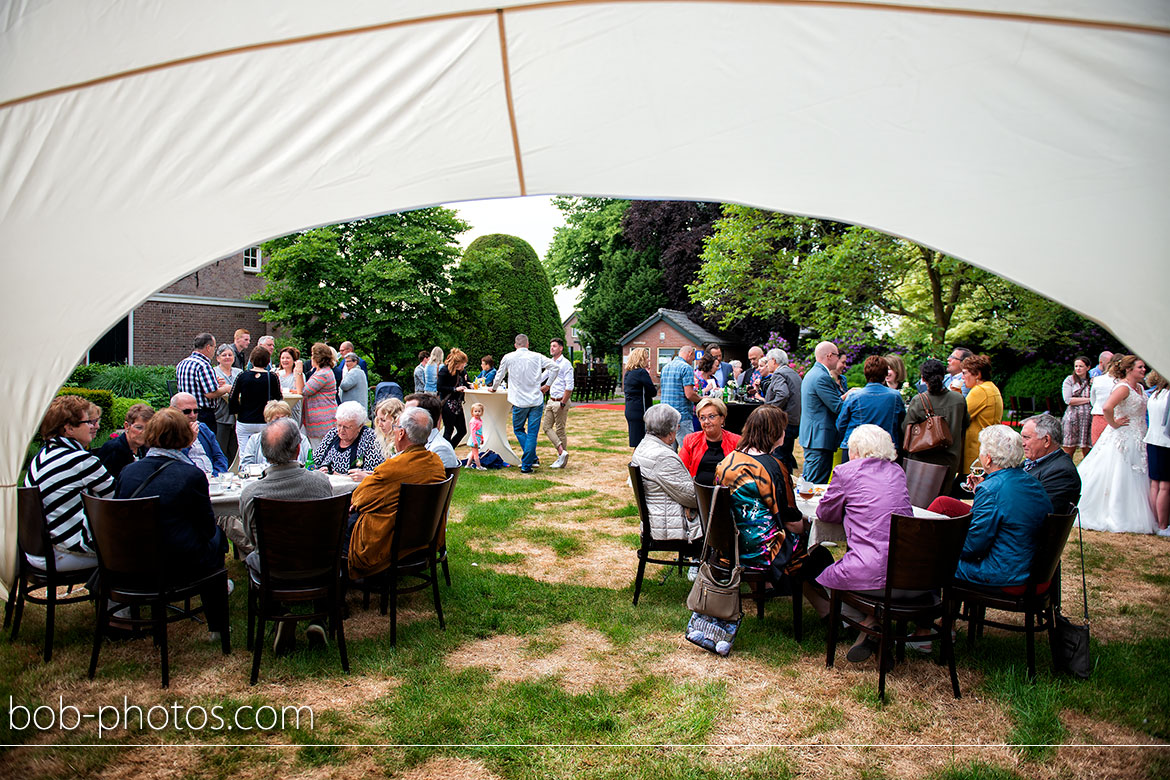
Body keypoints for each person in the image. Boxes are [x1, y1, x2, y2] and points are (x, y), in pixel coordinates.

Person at [802, 424, 914, 662]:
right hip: (908, 570)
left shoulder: (846, 472)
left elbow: (825, 513)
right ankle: (873, 623)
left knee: (824, 574)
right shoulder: (897, 471)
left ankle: (867, 622)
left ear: (856, 450)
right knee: (849, 568)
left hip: (869, 570)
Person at [116, 409, 230, 639]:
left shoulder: (128, 472)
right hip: (176, 568)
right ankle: (218, 626)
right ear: (187, 438)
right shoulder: (191, 475)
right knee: (217, 537)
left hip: (131, 564)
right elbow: (206, 529)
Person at [238, 417, 335, 653]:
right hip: (320, 566)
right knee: (315, 548)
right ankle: (318, 620)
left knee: (254, 557)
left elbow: (252, 540)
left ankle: (280, 614)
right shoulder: (321, 484)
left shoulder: (252, 493)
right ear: (299, 449)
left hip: (274, 571)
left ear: (264, 452)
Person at [348, 406, 447, 578]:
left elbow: (358, 498)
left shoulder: (393, 468)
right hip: (424, 539)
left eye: (395, 428)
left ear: (401, 433)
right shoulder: (435, 462)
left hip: (390, 543)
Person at [954, 425, 1053, 588]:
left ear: (988, 458)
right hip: (1033, 569)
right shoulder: (1032, 482)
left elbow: (972, 548)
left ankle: (931, 606)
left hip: (1003, 573)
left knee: (937, 558)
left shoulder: (991, 489)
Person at [715, 405, 805, 583]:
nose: (785, 434)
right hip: (762, 552)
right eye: (783, 430)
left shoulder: (727, 461)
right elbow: (792, 522)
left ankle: (766, 589)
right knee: (818, 554)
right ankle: (827, 609)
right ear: (775, 433)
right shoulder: (772, 466)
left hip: (727, 549)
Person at [24, 395, 114, 572]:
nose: (93, 426)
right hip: (65, 553)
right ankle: (118, 597)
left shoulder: (41, 457)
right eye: (87, 422)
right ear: (69, 429)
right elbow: (117, 498)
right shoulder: (79, 460)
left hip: (35, 552)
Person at [1077, 355, 1158, 533]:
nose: (1144, 370)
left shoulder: (1139, 388)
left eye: (1144, 367)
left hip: (1138, 434)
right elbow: (1106, 407)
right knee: (1120, 470)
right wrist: (1113, 424)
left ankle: (1140, 511)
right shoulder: (1123, 387)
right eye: (1140, 367)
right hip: (1124, 434)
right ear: (1129, 369)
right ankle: (1116, 512)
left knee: (1138, 471)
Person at [630, 404, 701, 541]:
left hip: (659, 517)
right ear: (670, 433)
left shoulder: (644, 445)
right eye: (677, 427)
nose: (677, 430)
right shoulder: (663, 457)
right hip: (668, 524)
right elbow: (693, 497)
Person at [490, 334, 555, 474]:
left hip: (519, 401)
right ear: (528, 344)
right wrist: (547, 385)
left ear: (515, 345)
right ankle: (532, 459)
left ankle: (527, 464)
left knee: (519, 429)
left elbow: (500, 375)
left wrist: (494, 388)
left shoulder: (508, 357)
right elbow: (555, 367)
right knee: (532, 433)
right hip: (536, 400)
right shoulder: (537, 356)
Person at [903, 359, 970, 490]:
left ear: (923, 378)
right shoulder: (959, 399)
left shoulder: (918, 401)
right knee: (943, 501)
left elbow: (906, 428)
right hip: (950, 458)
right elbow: (966, 423)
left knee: (920, 501)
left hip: (922, 459)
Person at [836, 356, 905, 463]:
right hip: (884, 449)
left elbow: (841, 424)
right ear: (885, 374)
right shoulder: (895, 397)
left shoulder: (854, 396)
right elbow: (901, 425)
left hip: (856, 450)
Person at [799, 341, 844, 484]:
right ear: (830, 356)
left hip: (814, 436)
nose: (838, 359)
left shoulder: (813, 373)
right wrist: (851, 397)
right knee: (815, 484)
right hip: (819, 438)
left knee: (810, 481)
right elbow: (837, 407)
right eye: (837, 356)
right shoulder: (822, 377)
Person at [1020, 414, 1082, 512]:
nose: (1022, 443)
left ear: (1046, 440)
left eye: (1026, 437)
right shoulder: (1034, 461)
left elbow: (1036, 511)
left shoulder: (1061, 472)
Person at [229, 346, 284, 455]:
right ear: (268, 361)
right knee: (265, 452)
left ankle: (245, 470)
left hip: (245, 419)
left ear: (252, 359)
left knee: (244, 453)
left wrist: (237, 410)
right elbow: (278, 398)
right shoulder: (271, 377)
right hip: (265, 419)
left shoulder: (242, 375)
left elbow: (232, 396)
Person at [313, 400, 385, 479]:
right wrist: (322, 469)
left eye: (347, 427)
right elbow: (315, 461)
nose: (341, 430)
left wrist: (341, 476)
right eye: (339, 425)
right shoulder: (332, 434)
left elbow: (371, 474)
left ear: (360, 426)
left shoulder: (370, 439)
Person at [680, 398, 742, 487]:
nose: (707, 422)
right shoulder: (690, 440)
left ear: (722, 418)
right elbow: (680, 470)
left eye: (711, 416)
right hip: (697, 493)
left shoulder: (737, 442)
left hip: (728, 495)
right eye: (702, 418)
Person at [176, 332, 231, 430]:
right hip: (202, 414)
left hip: (183, 412)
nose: (214, 351)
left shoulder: (182, 363)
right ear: (208, 347)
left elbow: (194, 384)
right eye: (214, 347)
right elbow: (210, 393)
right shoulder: (204, 365)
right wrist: (226, 388)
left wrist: (215, 383)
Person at [960, 354, 1004, 477]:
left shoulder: (980, 391)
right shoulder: (991, 388)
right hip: (989, 446)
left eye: (965, 373)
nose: (962, 377)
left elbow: (961, 415)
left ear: (978, 374)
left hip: (976, 451)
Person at [239, 400, 311, 469]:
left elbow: (309, 461)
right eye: (277, 418)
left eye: (284, 418)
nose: (281, 422)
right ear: (268, 420)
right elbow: (245, 465)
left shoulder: (301, 438)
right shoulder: (255, 439)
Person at [170, 392, 229, 477]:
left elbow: (220, 457)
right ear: (172, 410)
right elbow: (175, 462)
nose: (192, 415)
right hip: (189, 479)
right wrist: (188, 441)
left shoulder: (202, 429)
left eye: (196, 411)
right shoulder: (169, 433)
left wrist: (216, 475)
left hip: (212, 479)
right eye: (187, 411)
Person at [540, 337, 575, 469]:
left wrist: (563, 402)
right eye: (551, 346)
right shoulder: (550, 363)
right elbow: (543, 377)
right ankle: (562, 452)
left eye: (554, 346)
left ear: (560, 348)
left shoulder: (565, 364)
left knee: (560, 430)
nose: (551, 348)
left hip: (561, 401)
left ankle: (562, 461)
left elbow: (569, 386)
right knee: (546, 427)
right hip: (551, 400)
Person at [96, 403, 154, 479]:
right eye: (139, 428)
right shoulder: (113, 449)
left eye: (149, 429)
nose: (144, 432)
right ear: (127, 426)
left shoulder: (145, 448)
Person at [1144, 371, 1170, 536]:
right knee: (1165, 486)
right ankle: (1163, 525)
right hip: (1165, 443)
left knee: (1155, 484)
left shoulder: (1155, 394)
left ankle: (1156, 521)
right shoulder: (1167, 395)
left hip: (1152, 440)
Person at [404, 392, 461, 468]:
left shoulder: (440, 449)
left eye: (408, 413)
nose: (403, 417)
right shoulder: (415, 441)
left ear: (423, 417)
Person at [660, 346, 701, 448]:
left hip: (666, 415)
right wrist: (702, 399)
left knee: (669, 452)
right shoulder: (686, 368)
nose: (693, 361)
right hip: (682, 416)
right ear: (690, 353)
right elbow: (689, 394)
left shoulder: (665, 368)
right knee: (688, 449)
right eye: (693, 358)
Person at [302, 342, 339, 450]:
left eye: (312, 354)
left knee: (320, 452)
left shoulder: (323, 374)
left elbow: (305, 390)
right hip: (322, 419)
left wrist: (298, 372)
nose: (311, 357)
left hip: (322, 420)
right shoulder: (321, 371)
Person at [212, 343, 242, 464]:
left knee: (234, 450)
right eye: (224, 355)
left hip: (237, 415)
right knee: (221, 447)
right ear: (218, 358)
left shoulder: (239, 372)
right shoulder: (214, 372)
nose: (227, 357)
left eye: (230, 355)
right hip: (221, 414)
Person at [623, 348, 657, 447]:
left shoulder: (628, 373)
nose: (649, 360)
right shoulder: (642, 373)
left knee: (637, 441)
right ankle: (636, 461)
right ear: (641, 359)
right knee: (642, 442)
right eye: (647, 358)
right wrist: (648, 375)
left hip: (630, 409)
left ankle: (635, 461)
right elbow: (652, 392)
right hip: (641, 411)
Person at [437, 347, 470, 447]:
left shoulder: (461, 371)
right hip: (448, 403)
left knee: (462, 430)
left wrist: (469, 385)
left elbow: (465, 382)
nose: (464, 365)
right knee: (449, 430)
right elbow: (440, 387)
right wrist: (455, 389)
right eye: (463, 363)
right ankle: (444, 452)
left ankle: (449, 449)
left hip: (458, 403)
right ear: (457, 363)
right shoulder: (444, 371)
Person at [1061, 356, 1094, 457]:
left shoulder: (1093, 381)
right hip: (1073, 417)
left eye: (1081, 366)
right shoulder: (1069, 380)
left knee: (1088, 448)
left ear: (1087, 367)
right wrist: (1088, 400)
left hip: (1088, 417)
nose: (1078, 368)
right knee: (1069, 448)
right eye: (1076, 366)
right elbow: (1068, 400)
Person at [1088, 354, 1119, 445]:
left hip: (1099, 415)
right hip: (1115, 416)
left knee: (1098, 447)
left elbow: (1093, 400)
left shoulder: (1097, 380)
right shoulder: (1123, 381)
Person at [275, 346, 304, 424]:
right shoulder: (277, 374)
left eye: (287, 358)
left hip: (293, 409)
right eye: (282, 358)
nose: (285, 360)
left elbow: (299, 391)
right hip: (278, 410)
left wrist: (298, 372)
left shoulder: (298, 374)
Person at [465, 402, 486, 469]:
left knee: (473, 453)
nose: (477, 413)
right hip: (474, 439)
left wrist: (481, 439)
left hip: (478, 438)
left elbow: (480, 431)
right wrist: (475, 442)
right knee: (476, 454)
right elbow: (473, 432)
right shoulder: (473, 421)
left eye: (479, 411)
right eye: (475, 411)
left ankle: (468, 465)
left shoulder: (479, 420)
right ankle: (478, 466)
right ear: (472, 412)